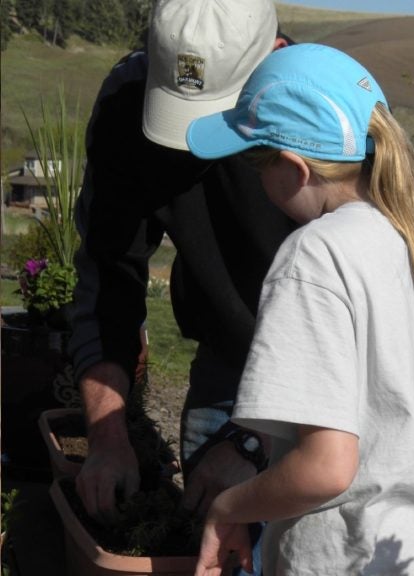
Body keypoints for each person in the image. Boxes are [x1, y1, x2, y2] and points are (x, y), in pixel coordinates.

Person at [185, 44, 414, 575]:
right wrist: (411, 466)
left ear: (293, 168)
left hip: (341, 559)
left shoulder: (315, 254)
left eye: (256, 165)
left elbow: (325, 470)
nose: (258, 182)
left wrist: (227, 507)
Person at [69, 0, 291, 566]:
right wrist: (109, 437)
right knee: (209, 552)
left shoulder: (320, 112)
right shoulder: (127, 100)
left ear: (272, 59)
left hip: (320, 381)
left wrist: (255, 441)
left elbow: (361, 319)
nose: (189, 143)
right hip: (224, 362)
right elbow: (108, 274)